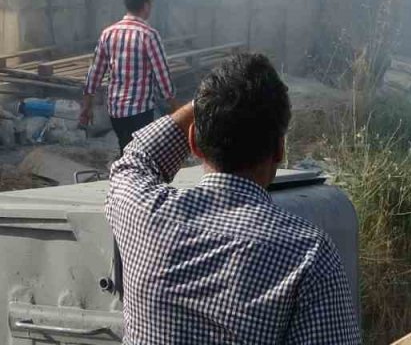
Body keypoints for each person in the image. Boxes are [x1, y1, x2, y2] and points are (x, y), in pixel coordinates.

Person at [106, 53, 361, 344]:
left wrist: (205, 104)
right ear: (279, 150)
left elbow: (136, 158)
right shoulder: (309, 255)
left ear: (193, 143)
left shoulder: (142, 213)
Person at [81, 0, 181, 154]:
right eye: (151, 3)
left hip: (116, 113)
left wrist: (86, 106)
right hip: (140, 112)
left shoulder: (108, 33)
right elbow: (162, 76)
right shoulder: (149, 35)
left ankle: (124, 169)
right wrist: (175, 107)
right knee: (140, 155)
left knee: (125, 149)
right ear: (146, 5)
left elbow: (94, 73)